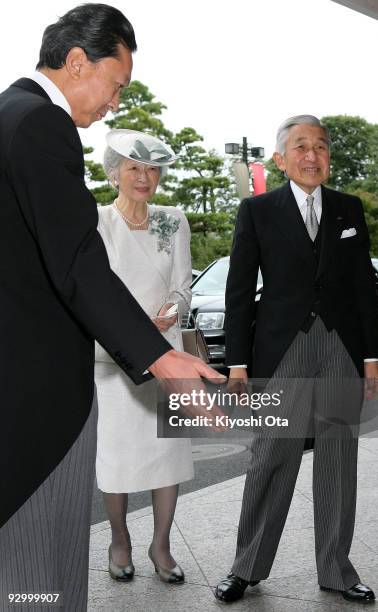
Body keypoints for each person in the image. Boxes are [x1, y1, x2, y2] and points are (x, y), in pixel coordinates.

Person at [0, 5, 224, 611]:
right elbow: (75, 262)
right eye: (116, 86)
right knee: (42, 567)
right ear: (77, 62)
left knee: (20, 567)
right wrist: (163, 360)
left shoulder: (5, 115)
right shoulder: (40, 125)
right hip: (42, 399)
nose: (114, 105)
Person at [215, 115, 378, 604]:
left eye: (322, 147)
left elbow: (361, 289)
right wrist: (239, 364)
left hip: (340, 347)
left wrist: (370, 356)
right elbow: (240, 291)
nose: (313, 156)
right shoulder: (257, 211)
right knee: (272, 454)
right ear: (281, 158)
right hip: (282, 347)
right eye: (301, 146)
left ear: (329, 158)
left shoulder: (348, 210)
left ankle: (336, 569)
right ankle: (246, 568)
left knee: (337, 459)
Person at [95, 129, 193, 584]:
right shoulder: (95, 222)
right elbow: (91, 293)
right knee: (115, 459)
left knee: (166, 456)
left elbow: (182, 287)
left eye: (152, 168)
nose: (144, 176)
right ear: (115, 173)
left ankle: (161, 545)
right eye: (134, 167)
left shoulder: (173, 219)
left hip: (166, 353)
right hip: (114, 362)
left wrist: (170, 312)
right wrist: (130, 327)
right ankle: (119, 539)